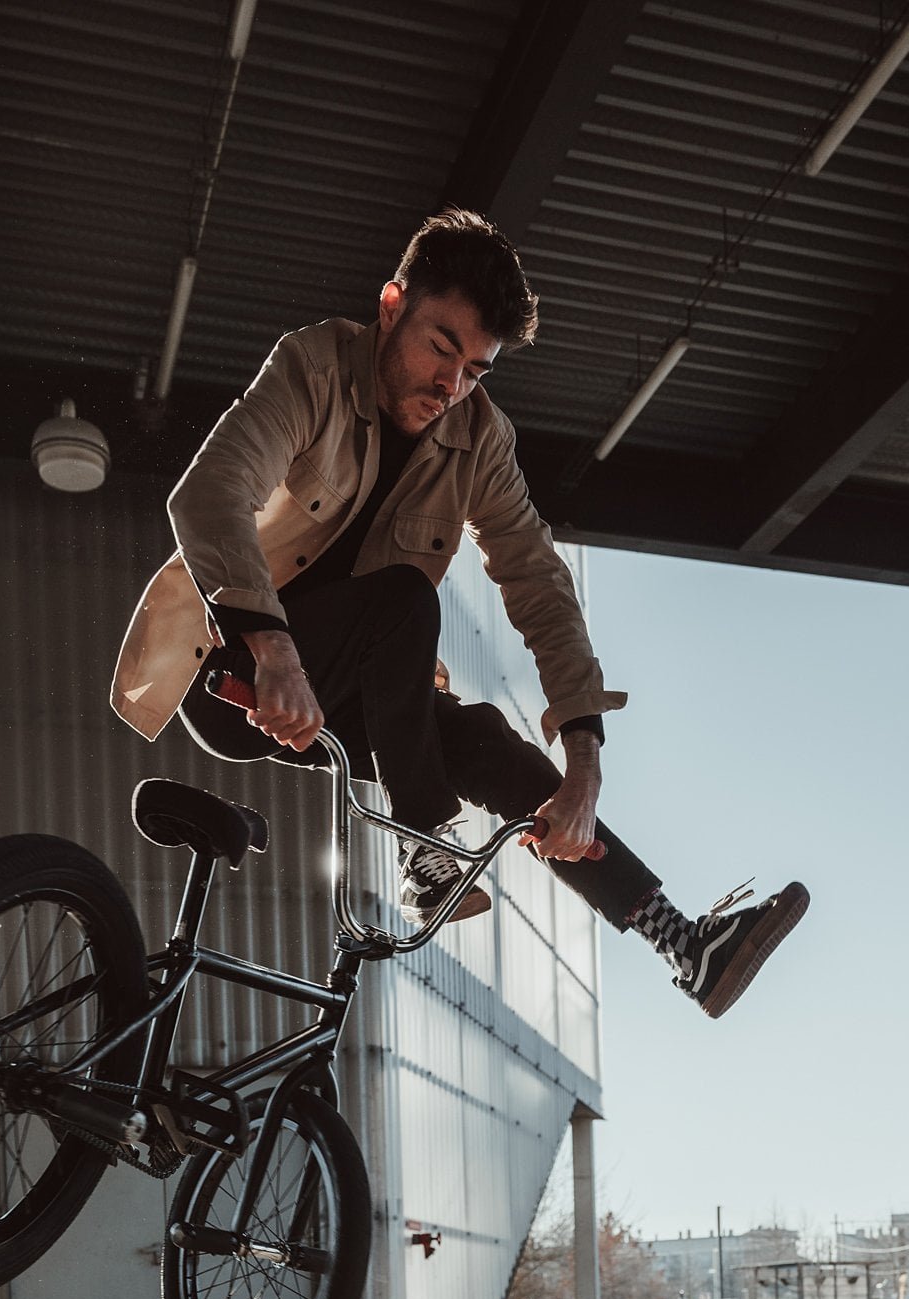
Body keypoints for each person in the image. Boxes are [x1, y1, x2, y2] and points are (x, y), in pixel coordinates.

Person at [113, 208, 807, 1019]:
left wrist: (585, 762)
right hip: (232, 666)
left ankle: (682, 943)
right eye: (441, 348)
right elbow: (208, 495)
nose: (451, 387)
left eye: (477, 369)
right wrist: (271, 647)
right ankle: (423, 845)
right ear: (391, 306)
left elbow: (538, 583)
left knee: (481, 740)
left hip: (353, 682)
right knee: (405, 595)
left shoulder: (481, 439)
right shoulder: (314, 368)